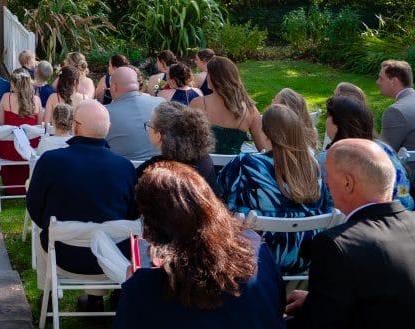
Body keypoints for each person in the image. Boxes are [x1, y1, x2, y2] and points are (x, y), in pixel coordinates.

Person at [114, 161, 285, 329]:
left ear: (154, 225)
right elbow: (277, 305)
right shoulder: (256, 249)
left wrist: (131, 289)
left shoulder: (145, 285)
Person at [284, 140, 415, 327]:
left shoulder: (336, 245)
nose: (326, 181)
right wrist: (317, 300)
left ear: (348, 183)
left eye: (327, 173)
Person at [27, 101, 137, 313]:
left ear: (75, 126)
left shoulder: (50, 161)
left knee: (42, 230)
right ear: (108, 129)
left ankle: (48, 293)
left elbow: (34, 207)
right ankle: (96, 299)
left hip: (62, 254)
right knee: (106, 230)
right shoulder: (124, 167)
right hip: (111, 258)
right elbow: (131, 215)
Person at [218, 105, 333, 275]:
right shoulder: (313, 167)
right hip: (306, 256)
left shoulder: (247, 165)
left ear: (266, 132)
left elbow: (221, 195)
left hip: (260, 256)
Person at [317, 94, 412, 209]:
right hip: (402, 213)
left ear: (338, 124)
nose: (326, 121)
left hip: (351, 222)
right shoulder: (384, 149)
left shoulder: (327, 159)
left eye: (328, 116)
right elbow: (403, 191)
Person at [191, 56, 270, 153]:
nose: (206, 77)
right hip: (234, 167)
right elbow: (263, 149)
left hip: (202, 166)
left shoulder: (196, 104)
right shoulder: (250, 110)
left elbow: (187, 140)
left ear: (213, 78)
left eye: (208, 74)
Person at [136, 101, 218, 194]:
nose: (148, 128)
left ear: (159, 136)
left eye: (149, 125)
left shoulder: (154, 169)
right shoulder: (205, 160)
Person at [0, 71, 43, 195]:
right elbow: (39, 126)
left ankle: (11, 188)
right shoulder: (36, 100)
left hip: (9, 150)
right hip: (30, 150)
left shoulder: (6, 97)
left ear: (14, 84)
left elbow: (1, 123)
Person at [106, 66, 163, 162]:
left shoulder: (104, 113)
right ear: (137, 84)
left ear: (114, 87)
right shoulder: (161, 103)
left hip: (124, 171)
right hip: (163, 169)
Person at [378, 59, 415, 152]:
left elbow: (385, 152)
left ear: (394, 82)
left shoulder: (396, 112)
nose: (377, 82)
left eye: (381, 78)